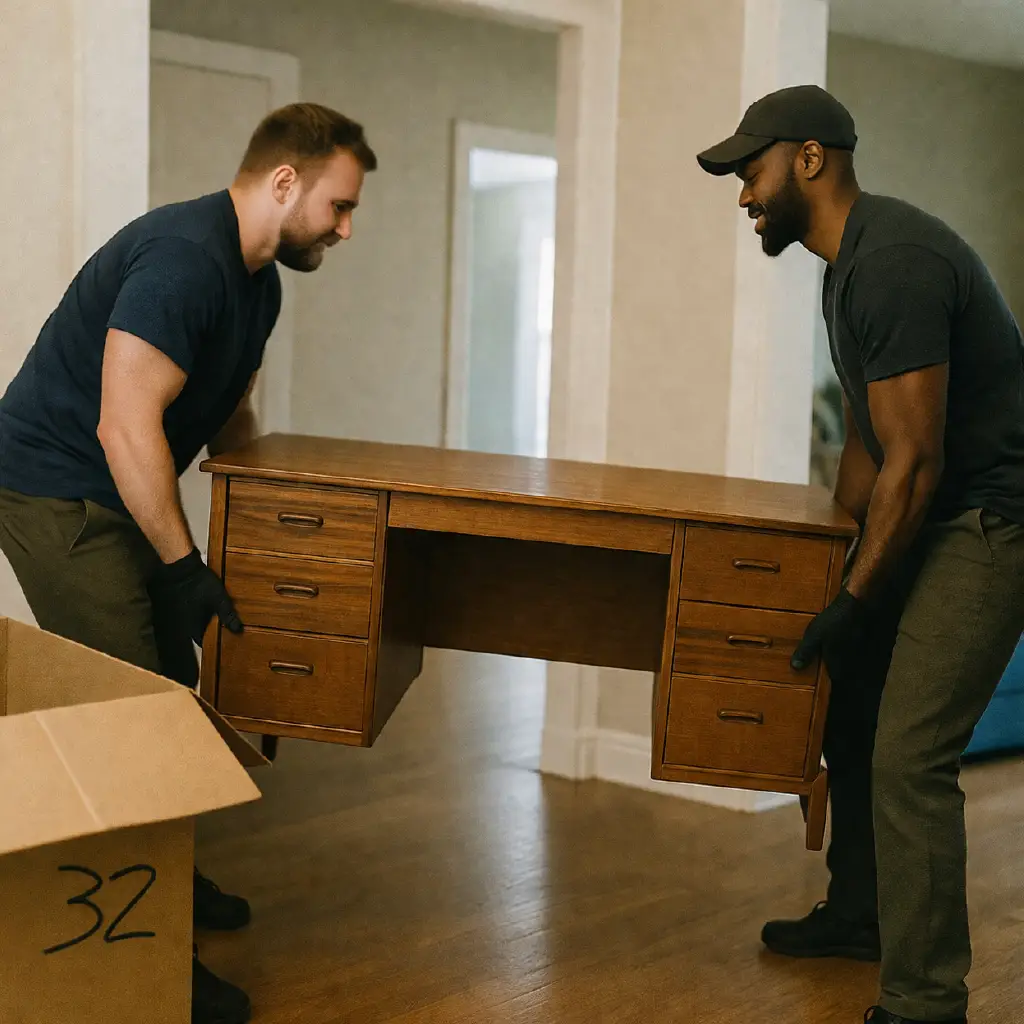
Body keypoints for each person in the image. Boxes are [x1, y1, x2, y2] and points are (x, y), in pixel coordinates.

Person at [0, 101, 377, 1024]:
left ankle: (169, 874)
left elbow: (222, 409)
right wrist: (181, 567)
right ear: (283, 182)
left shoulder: (260, 285)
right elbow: (124, 424)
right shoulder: (182, 261)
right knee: (133, 710)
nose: (345, 228)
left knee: (173, 683)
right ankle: (150, 950)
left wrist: (257, 501)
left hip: (120, 485)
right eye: (338, 205)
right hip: (57, 490)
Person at [696, 85, 1024, 1024]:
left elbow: (916, 461)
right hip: (933, 511)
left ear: (809, 158)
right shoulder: (846, 267)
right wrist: (836, 572)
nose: (744, 196)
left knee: (911, 752)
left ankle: (925, 1003)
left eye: (750, 172)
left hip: (990, 524)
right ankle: (860, 913)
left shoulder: (896, 263)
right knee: (855, 698)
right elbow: (871, 444)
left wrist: (860, 592)